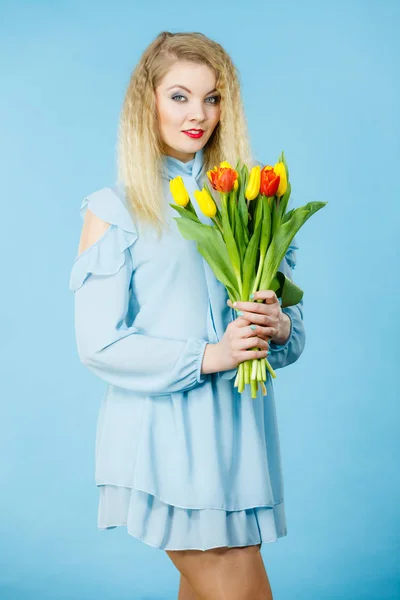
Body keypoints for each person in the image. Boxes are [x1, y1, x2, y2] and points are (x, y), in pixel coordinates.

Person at [69, 31, 306, 600]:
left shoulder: (249, 199)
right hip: (165, 439)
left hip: (237, 435)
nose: (199, 114)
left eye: (213, 97)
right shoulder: (116, 209)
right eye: (180, 96)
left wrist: (280, 328)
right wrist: (211, 355)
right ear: (146, 100)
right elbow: (98, 345)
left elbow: (291, 338)